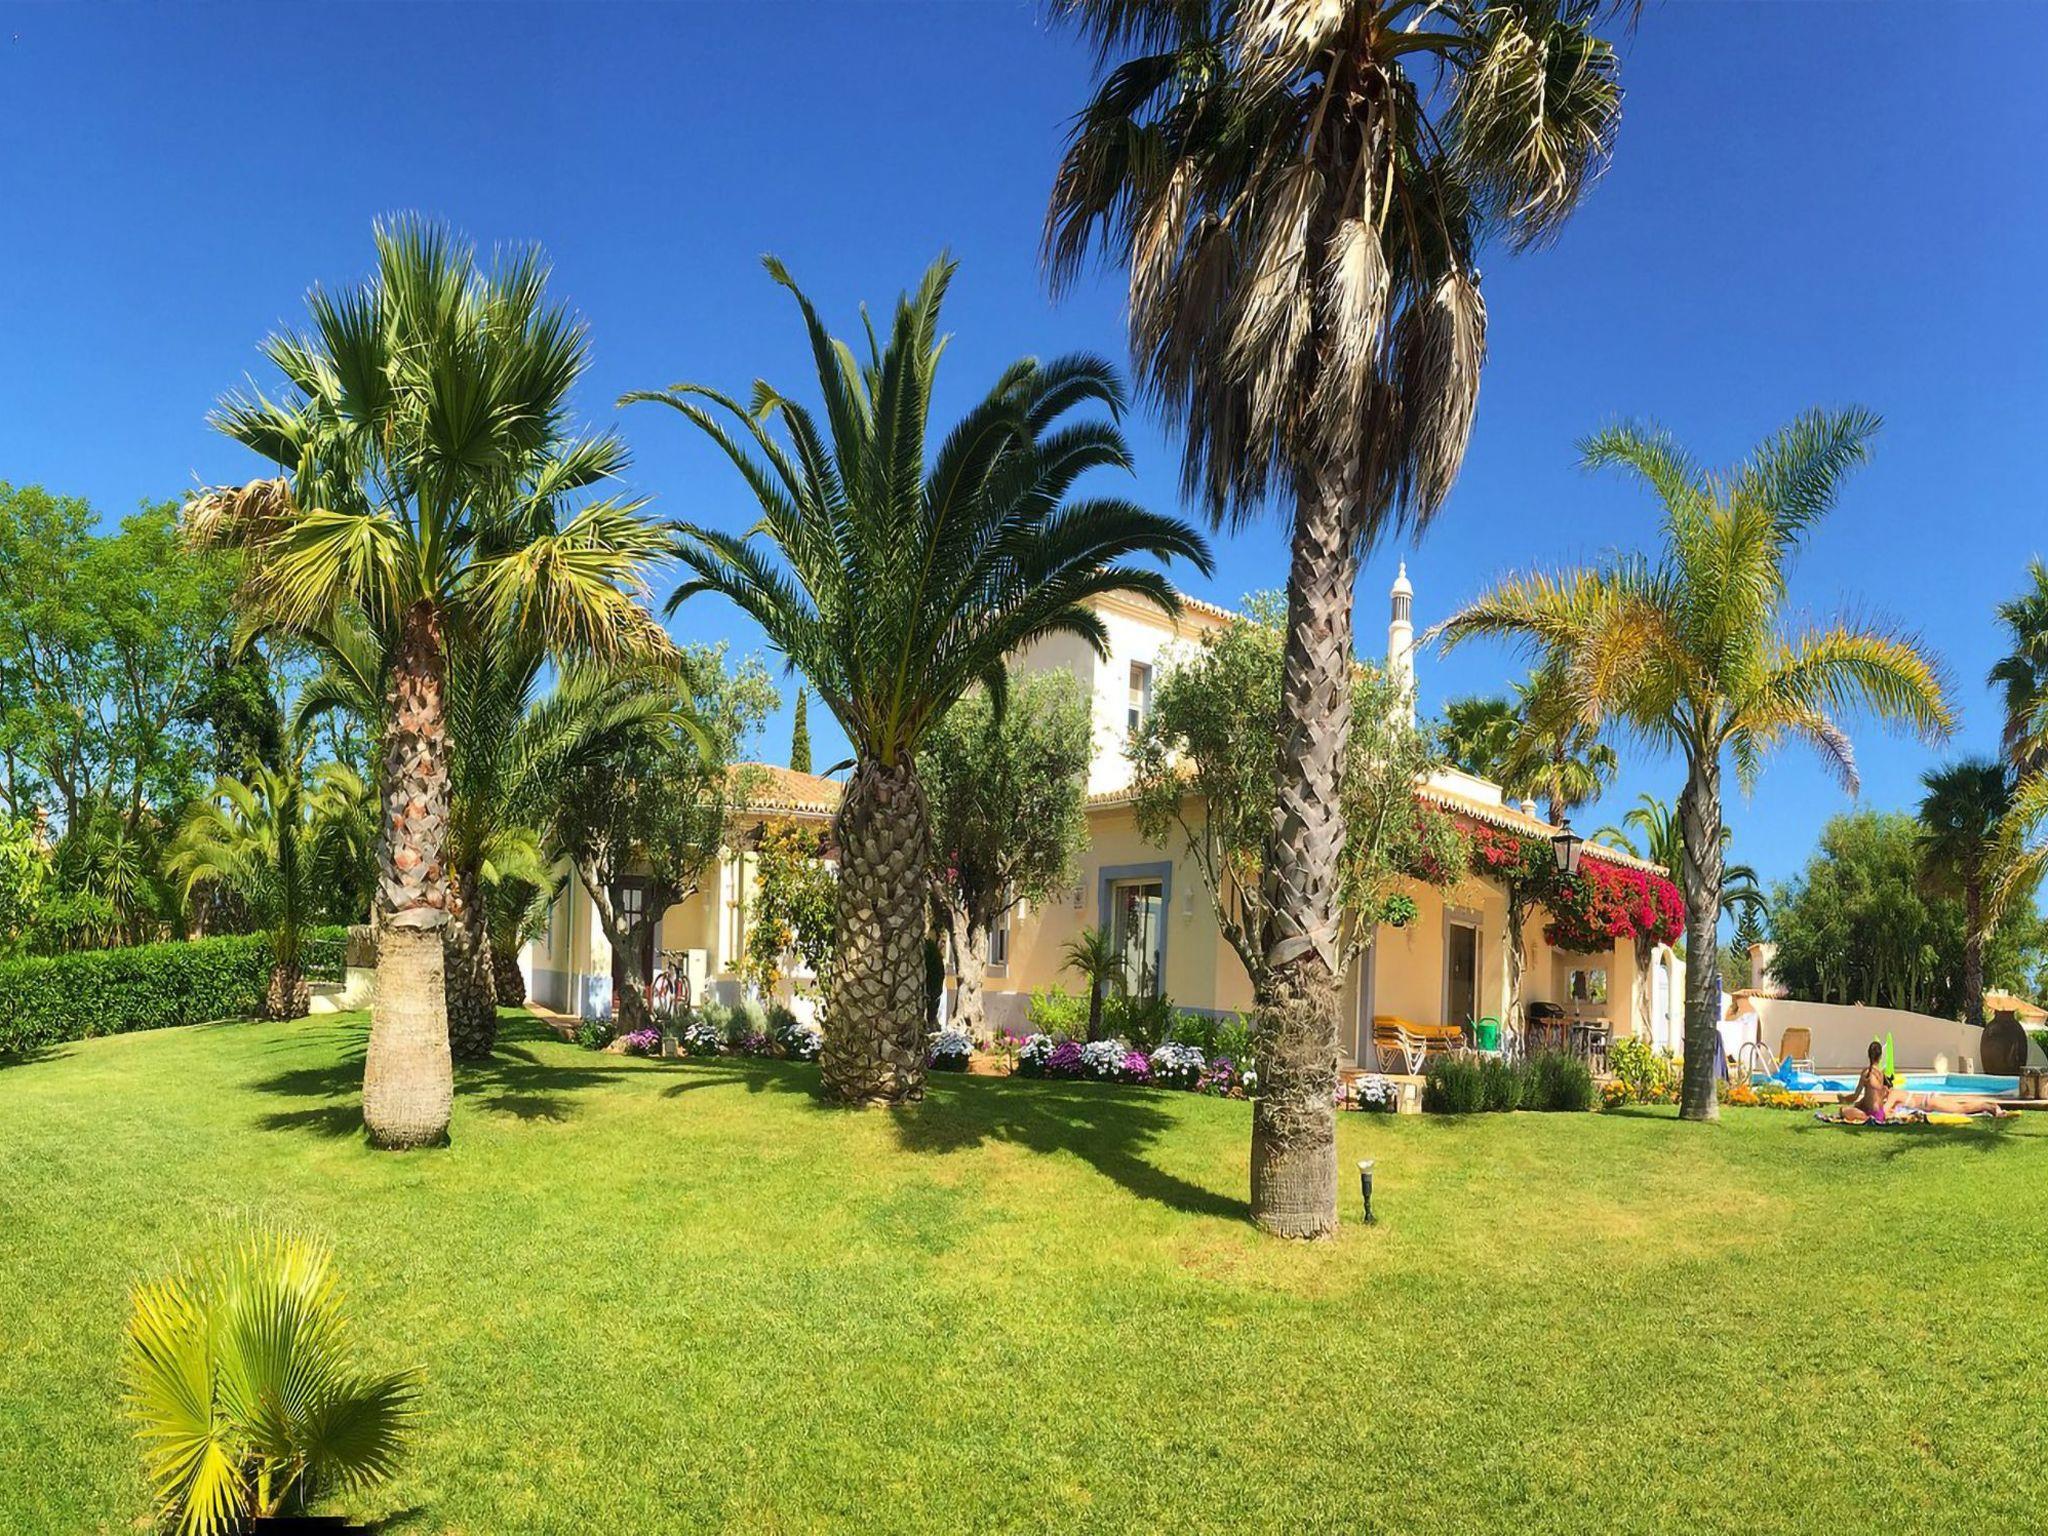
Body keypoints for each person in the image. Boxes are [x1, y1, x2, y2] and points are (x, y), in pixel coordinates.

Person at [1833, 1040, 2009, 1122]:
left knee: (1961, 1109)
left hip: (1930, 1102)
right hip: (1930, 1099)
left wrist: (1888, 1111)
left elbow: (1882, 1114)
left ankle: (1990, 1107)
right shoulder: (1889, 1090)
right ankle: (1989, 1106)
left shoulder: (1893, 1094)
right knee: (1960, 1106)